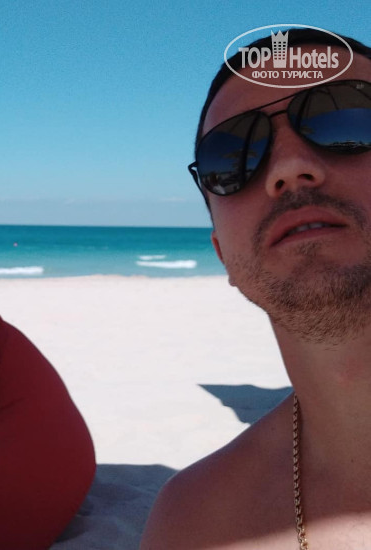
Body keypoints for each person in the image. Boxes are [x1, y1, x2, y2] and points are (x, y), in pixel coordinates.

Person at [141, 30, 371, 549]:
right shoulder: (194, 524)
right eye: (233, 155)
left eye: (347, 120)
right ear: (222, 251)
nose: (286, 169)